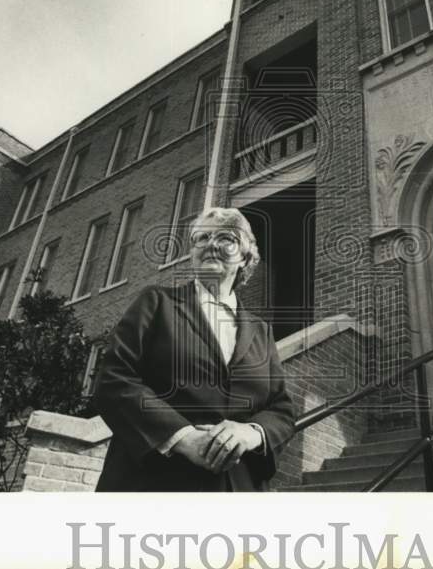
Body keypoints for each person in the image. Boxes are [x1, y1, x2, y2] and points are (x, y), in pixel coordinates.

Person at [93, 206, 296, 491]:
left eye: (225, 238)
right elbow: (114, 380)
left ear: (245, 256)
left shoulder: (262, 331)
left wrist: (251, 433)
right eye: (202, 238)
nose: (211, 244)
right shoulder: (156, 303)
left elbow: (282, 409)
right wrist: (182, 437)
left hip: (237, 490)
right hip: (154, 484)